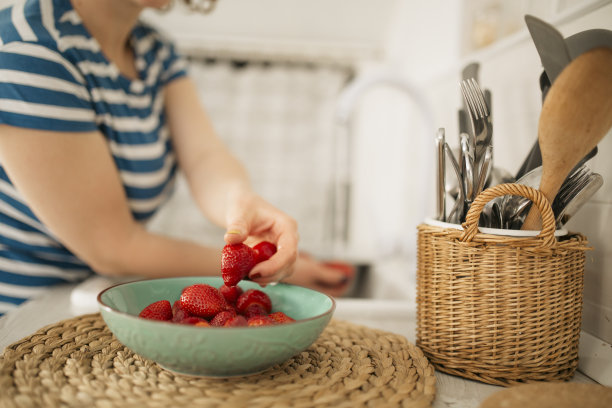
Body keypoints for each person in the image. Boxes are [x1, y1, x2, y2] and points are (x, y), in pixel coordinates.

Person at [0, 0, 352, 316]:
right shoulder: (26, 50)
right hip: (26, 317)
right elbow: (112, 246)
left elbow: (204, 157)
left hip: (89, 298)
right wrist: (246, 267)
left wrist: (241, 205)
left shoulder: (153, 49)